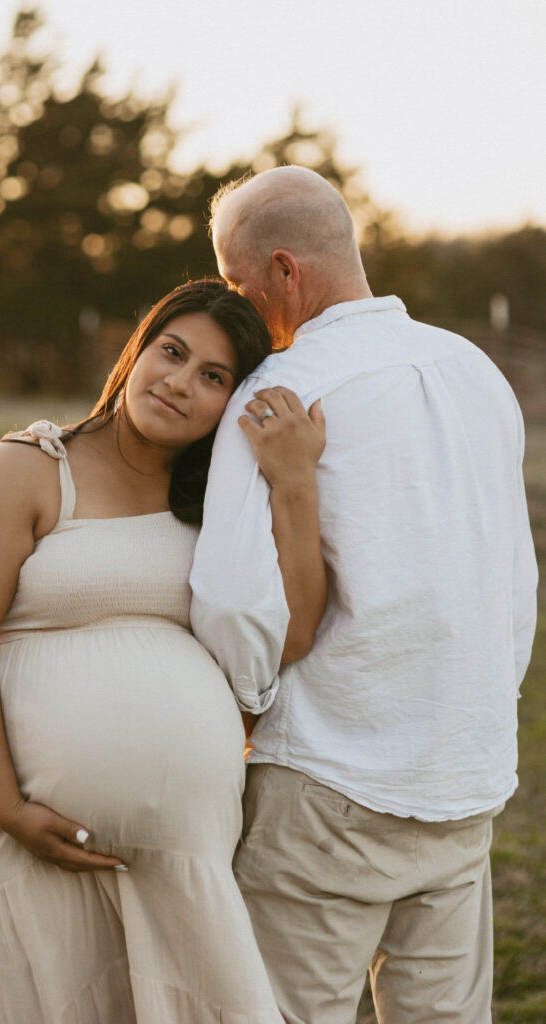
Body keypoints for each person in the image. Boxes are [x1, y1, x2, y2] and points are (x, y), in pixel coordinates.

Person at [0, 278, 327, 1024]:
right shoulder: (30, 467)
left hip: (187, 850)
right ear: (136, 350)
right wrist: (8, 806)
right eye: (170, 352)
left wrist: (293, 483)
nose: (178, 383)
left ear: (233, 404)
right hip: (27, 829)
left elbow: (293, 634)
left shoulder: (220, 506)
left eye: (213, 377)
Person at [190, 167, 539, 1024]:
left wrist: (247, 710)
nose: (239, 308)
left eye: (238, 286)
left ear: (282, 270)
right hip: (465, 766)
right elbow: (516, 578)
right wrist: (488, 706)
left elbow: (236, 604)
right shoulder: (476, 372)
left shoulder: (276, 393)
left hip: (325, 771)